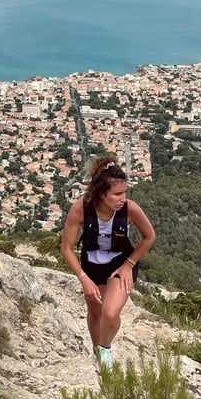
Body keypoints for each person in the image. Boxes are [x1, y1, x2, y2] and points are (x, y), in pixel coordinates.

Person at [61, 155, 155, 372]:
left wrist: (129, 264)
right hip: (91, 264)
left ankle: (105, 349)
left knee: (110, 313)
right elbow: (66, 247)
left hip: (120, 262)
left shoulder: (130, 209)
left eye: (124, 193)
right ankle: (97, 352)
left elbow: (149, 237)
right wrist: (83, 278)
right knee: (95, 311)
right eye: (117, 194)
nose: (123, 199)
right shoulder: (81, 209)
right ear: (102, 194)